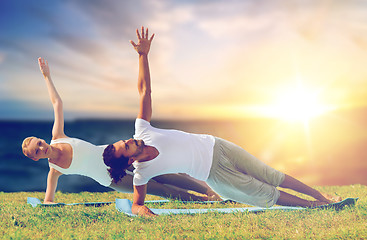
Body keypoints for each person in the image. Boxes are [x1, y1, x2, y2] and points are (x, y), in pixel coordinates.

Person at [103, 26, 342, 217]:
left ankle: (320, 197)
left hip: (217, 145)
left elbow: (145, 91)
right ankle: (314, 208)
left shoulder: (143, 130)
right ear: (131, 159)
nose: (131, 140)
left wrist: (143, 56)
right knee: (263, 193)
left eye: (126, 140)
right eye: (127, 146)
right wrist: (144, 212)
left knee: (271, 174)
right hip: (214, 173)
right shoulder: (142, 174)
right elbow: (136, 203)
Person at [21, 58, 222, 204]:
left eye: (39, 143)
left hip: (116, 153)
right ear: (35, 159)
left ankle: (209, 191)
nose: (41, 148)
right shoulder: (54, 171)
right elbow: (48, 201)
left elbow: (57, 103)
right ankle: (204, 201)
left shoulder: (57, 137)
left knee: (164, 173)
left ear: (42, 139)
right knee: (157, 189)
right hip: (110, 178)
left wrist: (46, 76)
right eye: (36, 151)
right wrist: (46, 203)